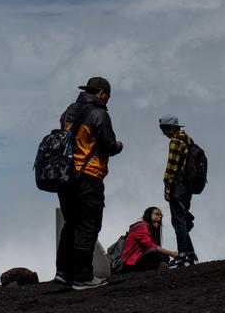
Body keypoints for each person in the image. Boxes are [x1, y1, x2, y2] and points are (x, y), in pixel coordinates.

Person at [54, 76, 123, 290]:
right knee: (88, 226)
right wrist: (118, 145)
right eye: (108, 96)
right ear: (102, 93)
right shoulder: (99, 113)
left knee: (70, 224)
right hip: (89, 175)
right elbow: (109, 145)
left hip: (65, 176)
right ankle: (82, 276)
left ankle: (63, 272)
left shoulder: (69, 111)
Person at [159, 115, 199, 266]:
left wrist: (167, 186)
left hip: (178, 186)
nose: (164, 133)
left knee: (178, 221)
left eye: (164, 129)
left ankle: (183, 254)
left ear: (171, 127)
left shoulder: (176, 141)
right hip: (188, 186)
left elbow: (172, 166)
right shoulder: (188, 140)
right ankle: (191, 254)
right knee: (181, 219)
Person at [119, 207, 178, 272]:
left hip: (140, 259)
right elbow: (150, 245)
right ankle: (157, 266)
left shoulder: (150, 230)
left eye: (161, 215)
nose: (160, 217)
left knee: (165, 256)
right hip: (131, 263)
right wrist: (171, 253)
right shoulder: (141, 226)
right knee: (153, 252)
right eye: (157, 214)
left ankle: (159, 265)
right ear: (149, 215)